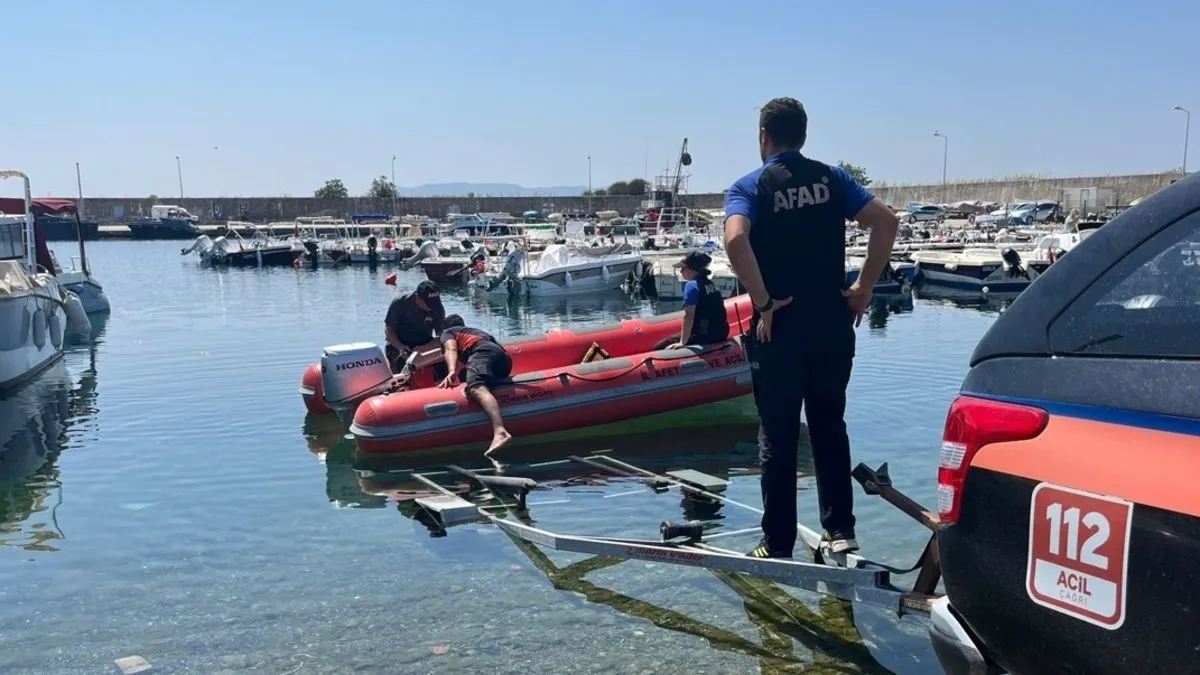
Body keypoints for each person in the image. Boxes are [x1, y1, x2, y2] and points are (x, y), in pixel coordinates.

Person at [723, 97, 899, 558]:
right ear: (803, 135)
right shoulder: (832, 178)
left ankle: (776, 544)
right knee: (828, 425)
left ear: (763, 136)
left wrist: (762, 302)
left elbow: (735, 239)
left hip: (779, 329)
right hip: (831, 325)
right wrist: (864, 285)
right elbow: (885, 221)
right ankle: (841, 529)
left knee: (778, 436)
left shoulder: (750, 186)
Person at [438, 314, 513, 456]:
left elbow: (451, 350)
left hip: (482, 351)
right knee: (468, 376)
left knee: (474, 387)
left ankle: (500, 432)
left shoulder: (447, 333)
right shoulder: (472, 332)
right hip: (503, 359)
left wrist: (451, 371)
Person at [668, 251, 730, 348]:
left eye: (683, 268)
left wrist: (682, 342)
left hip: (704, 336)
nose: (681, 271)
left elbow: (688, 316)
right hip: (721, 333)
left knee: (661, 344)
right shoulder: (710, 284)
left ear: (692, 269)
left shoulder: (692, 285)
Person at [384, 280, 445, 372]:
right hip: (399, 344)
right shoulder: (400, 303)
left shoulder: (437, 308)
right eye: (428, 303)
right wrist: (400, 347)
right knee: (402, 365)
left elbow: (440, 335)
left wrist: (425, 348)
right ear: (417, 296)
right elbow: (388, 329)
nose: (430, 307)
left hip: (424, 344)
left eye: (434, 303)